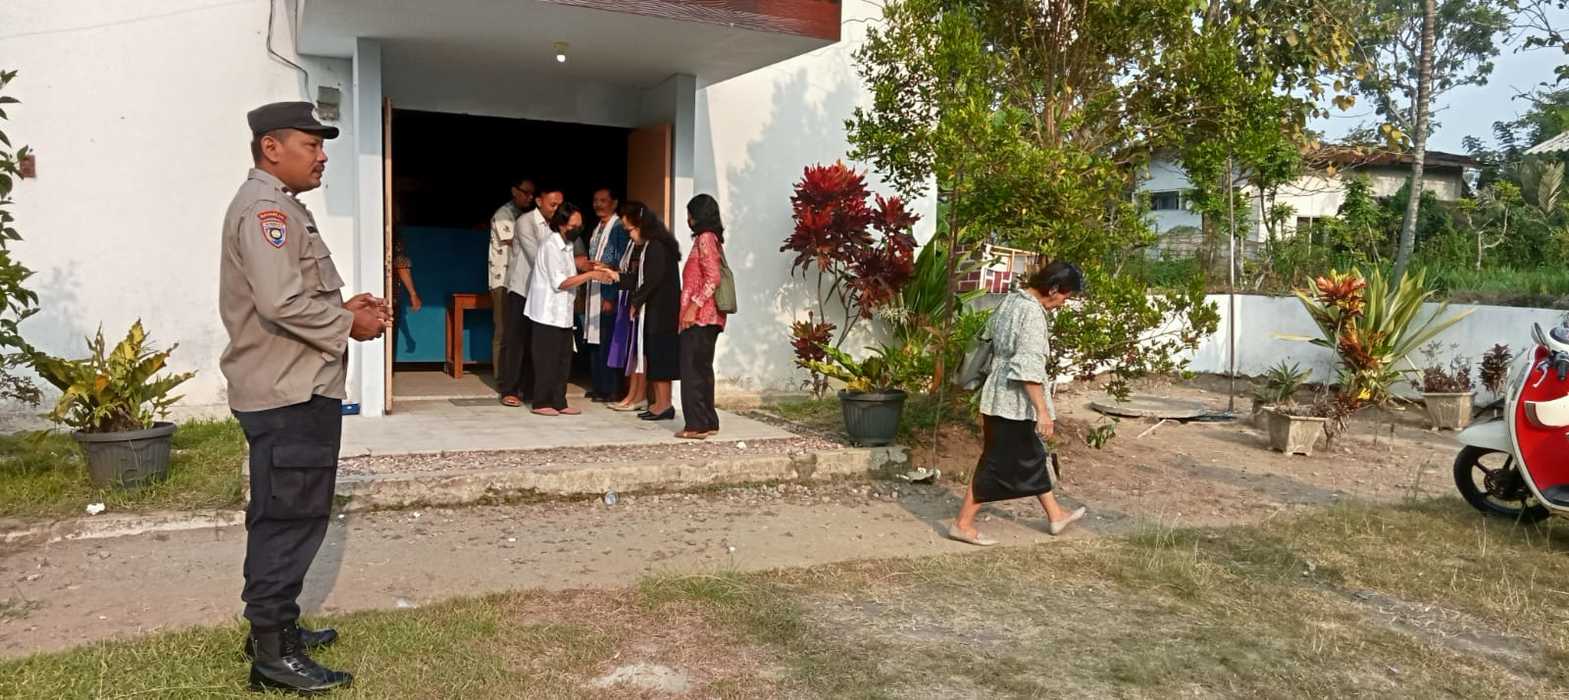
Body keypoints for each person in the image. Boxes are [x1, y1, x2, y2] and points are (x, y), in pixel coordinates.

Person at [219, 101, 388, 693]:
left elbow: (291, 295)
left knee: (282, 514)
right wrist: (348, 325)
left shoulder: (281, 206)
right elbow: (280, 303)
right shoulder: (266, 210)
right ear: (272, 148)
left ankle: (274, 628)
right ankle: (274, 655)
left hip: (290, 385)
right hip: (288, 392)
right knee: (289, 520)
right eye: (312, 145)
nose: (321, 158)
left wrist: (342, 307)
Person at [950, 261, 1087, 546]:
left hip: (997, 394)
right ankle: (962, 524)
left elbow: (989, 341)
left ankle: (1056, 515)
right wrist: (1042, 412)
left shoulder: (1012, 300)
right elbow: (1027, 367)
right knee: (996, 462)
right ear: (1053, 289)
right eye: (1066, 295)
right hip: (1014, 401)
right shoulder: (1032, 314)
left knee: (1031, 455)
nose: (1065, 302)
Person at [526, 202, 617, 416]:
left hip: (563, 314)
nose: (578, 229)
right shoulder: (550, 246)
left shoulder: (567, 246)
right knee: (546, 360)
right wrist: (591, 275)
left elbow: (573, 270)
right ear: (561, 224)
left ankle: (559, 400)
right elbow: (561, 282)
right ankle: (541, 401)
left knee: (563, 359)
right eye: (574, 225)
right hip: (546, 313)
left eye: (580, 225)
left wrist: (589, 267)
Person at [498, 186, 563, 407]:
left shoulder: (558, 226)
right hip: (522, 289)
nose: (556, 209)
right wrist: (565, 272)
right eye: (553, 205)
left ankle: (530, 389)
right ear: (539, 201)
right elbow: (537, 258)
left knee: (537, 343)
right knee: (516, 341)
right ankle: (509, 389)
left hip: (543, 293)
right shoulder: (525, 222)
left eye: (559, 205)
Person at [676, 194, 729, 440]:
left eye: (690, 214)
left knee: (692, 370)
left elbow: (713, 278)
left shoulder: (705, 238)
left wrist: (692, 307)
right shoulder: (710, 238)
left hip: (700, 317)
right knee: (702, 369)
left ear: (697, 215)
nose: (688, 219)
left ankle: (696, 425)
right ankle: (708, 421)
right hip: (708, 318)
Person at [622, 201, 681, 422]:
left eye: (629, 230)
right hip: (658, 311)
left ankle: (664, 404)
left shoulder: (656, 246)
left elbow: (652, 280)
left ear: (640, 225)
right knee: (653, 356)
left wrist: (636, 302)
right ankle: (659, 403)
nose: (629, 235)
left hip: (662, 312)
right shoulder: (653, 244)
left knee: (660, 357)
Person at [583, 188, 630, 403]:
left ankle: (611, 388)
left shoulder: (618, 227)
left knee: (609, 340)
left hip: (608, 290)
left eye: (603, 200)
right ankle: (599, 386)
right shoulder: (598, 227)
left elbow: (621, 262)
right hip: (594, 289)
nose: (598, 205)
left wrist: (610, 296)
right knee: (596, 340)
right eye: (596, 200)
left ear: (614, 203)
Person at [489, 178, 534, 368]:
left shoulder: (523, 215)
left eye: (532, 194)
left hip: (518, 281)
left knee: (516, 329)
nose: (530, 197)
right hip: (503, 280)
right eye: (526, 192)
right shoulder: (504, 214)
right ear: (514, 191)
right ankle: (501, 375)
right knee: (503, 329)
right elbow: (514, 241)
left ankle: (514, 373)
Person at [608, 218, 648, 413]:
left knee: (640, 351)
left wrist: (618, 277)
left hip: (641, 304)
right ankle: (632, 394)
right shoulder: (633, 246)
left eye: (630, 229)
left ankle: (640, 395)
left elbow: (643, 279)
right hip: (630, 300)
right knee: (631, 350)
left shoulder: (650, 248)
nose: (628, 234)